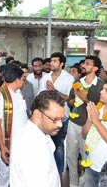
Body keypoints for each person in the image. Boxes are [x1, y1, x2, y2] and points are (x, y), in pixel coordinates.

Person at [10, 90, 65, 187]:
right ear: (37, 115)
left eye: (62, 119)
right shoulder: (31, 148)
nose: (60, 124)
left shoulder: (41, 133)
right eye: (55, 119)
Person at [67, 55, 104, 187]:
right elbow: (69, 101)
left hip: (89, 126)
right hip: (73, 123)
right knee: (71, 156)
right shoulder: (78, 82)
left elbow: (101, 108)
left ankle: (84, 182)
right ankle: (73, 183)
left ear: (95, 68)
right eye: (84, 63)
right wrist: (74, 100)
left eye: (88, 64)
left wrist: (85, 99)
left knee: (86, 157)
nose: (84, 66)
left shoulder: (101, 85)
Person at [38, 52, 74, 181]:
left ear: (62, 64)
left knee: (58, 146)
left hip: (61, 118)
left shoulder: (69, 79)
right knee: (45, 144)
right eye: (51, 61)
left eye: (54, 61)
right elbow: (40, 96)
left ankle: (58, 175)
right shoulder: (45, 77)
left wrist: (54, 90)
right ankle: (46, 171)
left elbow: (70, 99)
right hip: (46, 117)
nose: (51, 63)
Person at [0, 64, 28, 187]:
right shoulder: (1, 96)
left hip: (19, 141)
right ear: (17, 80)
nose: (23, 82)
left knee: (18, 172)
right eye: (23, 79)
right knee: (5, 174)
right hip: (6, 142)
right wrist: (2, 147)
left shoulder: (18, 93)